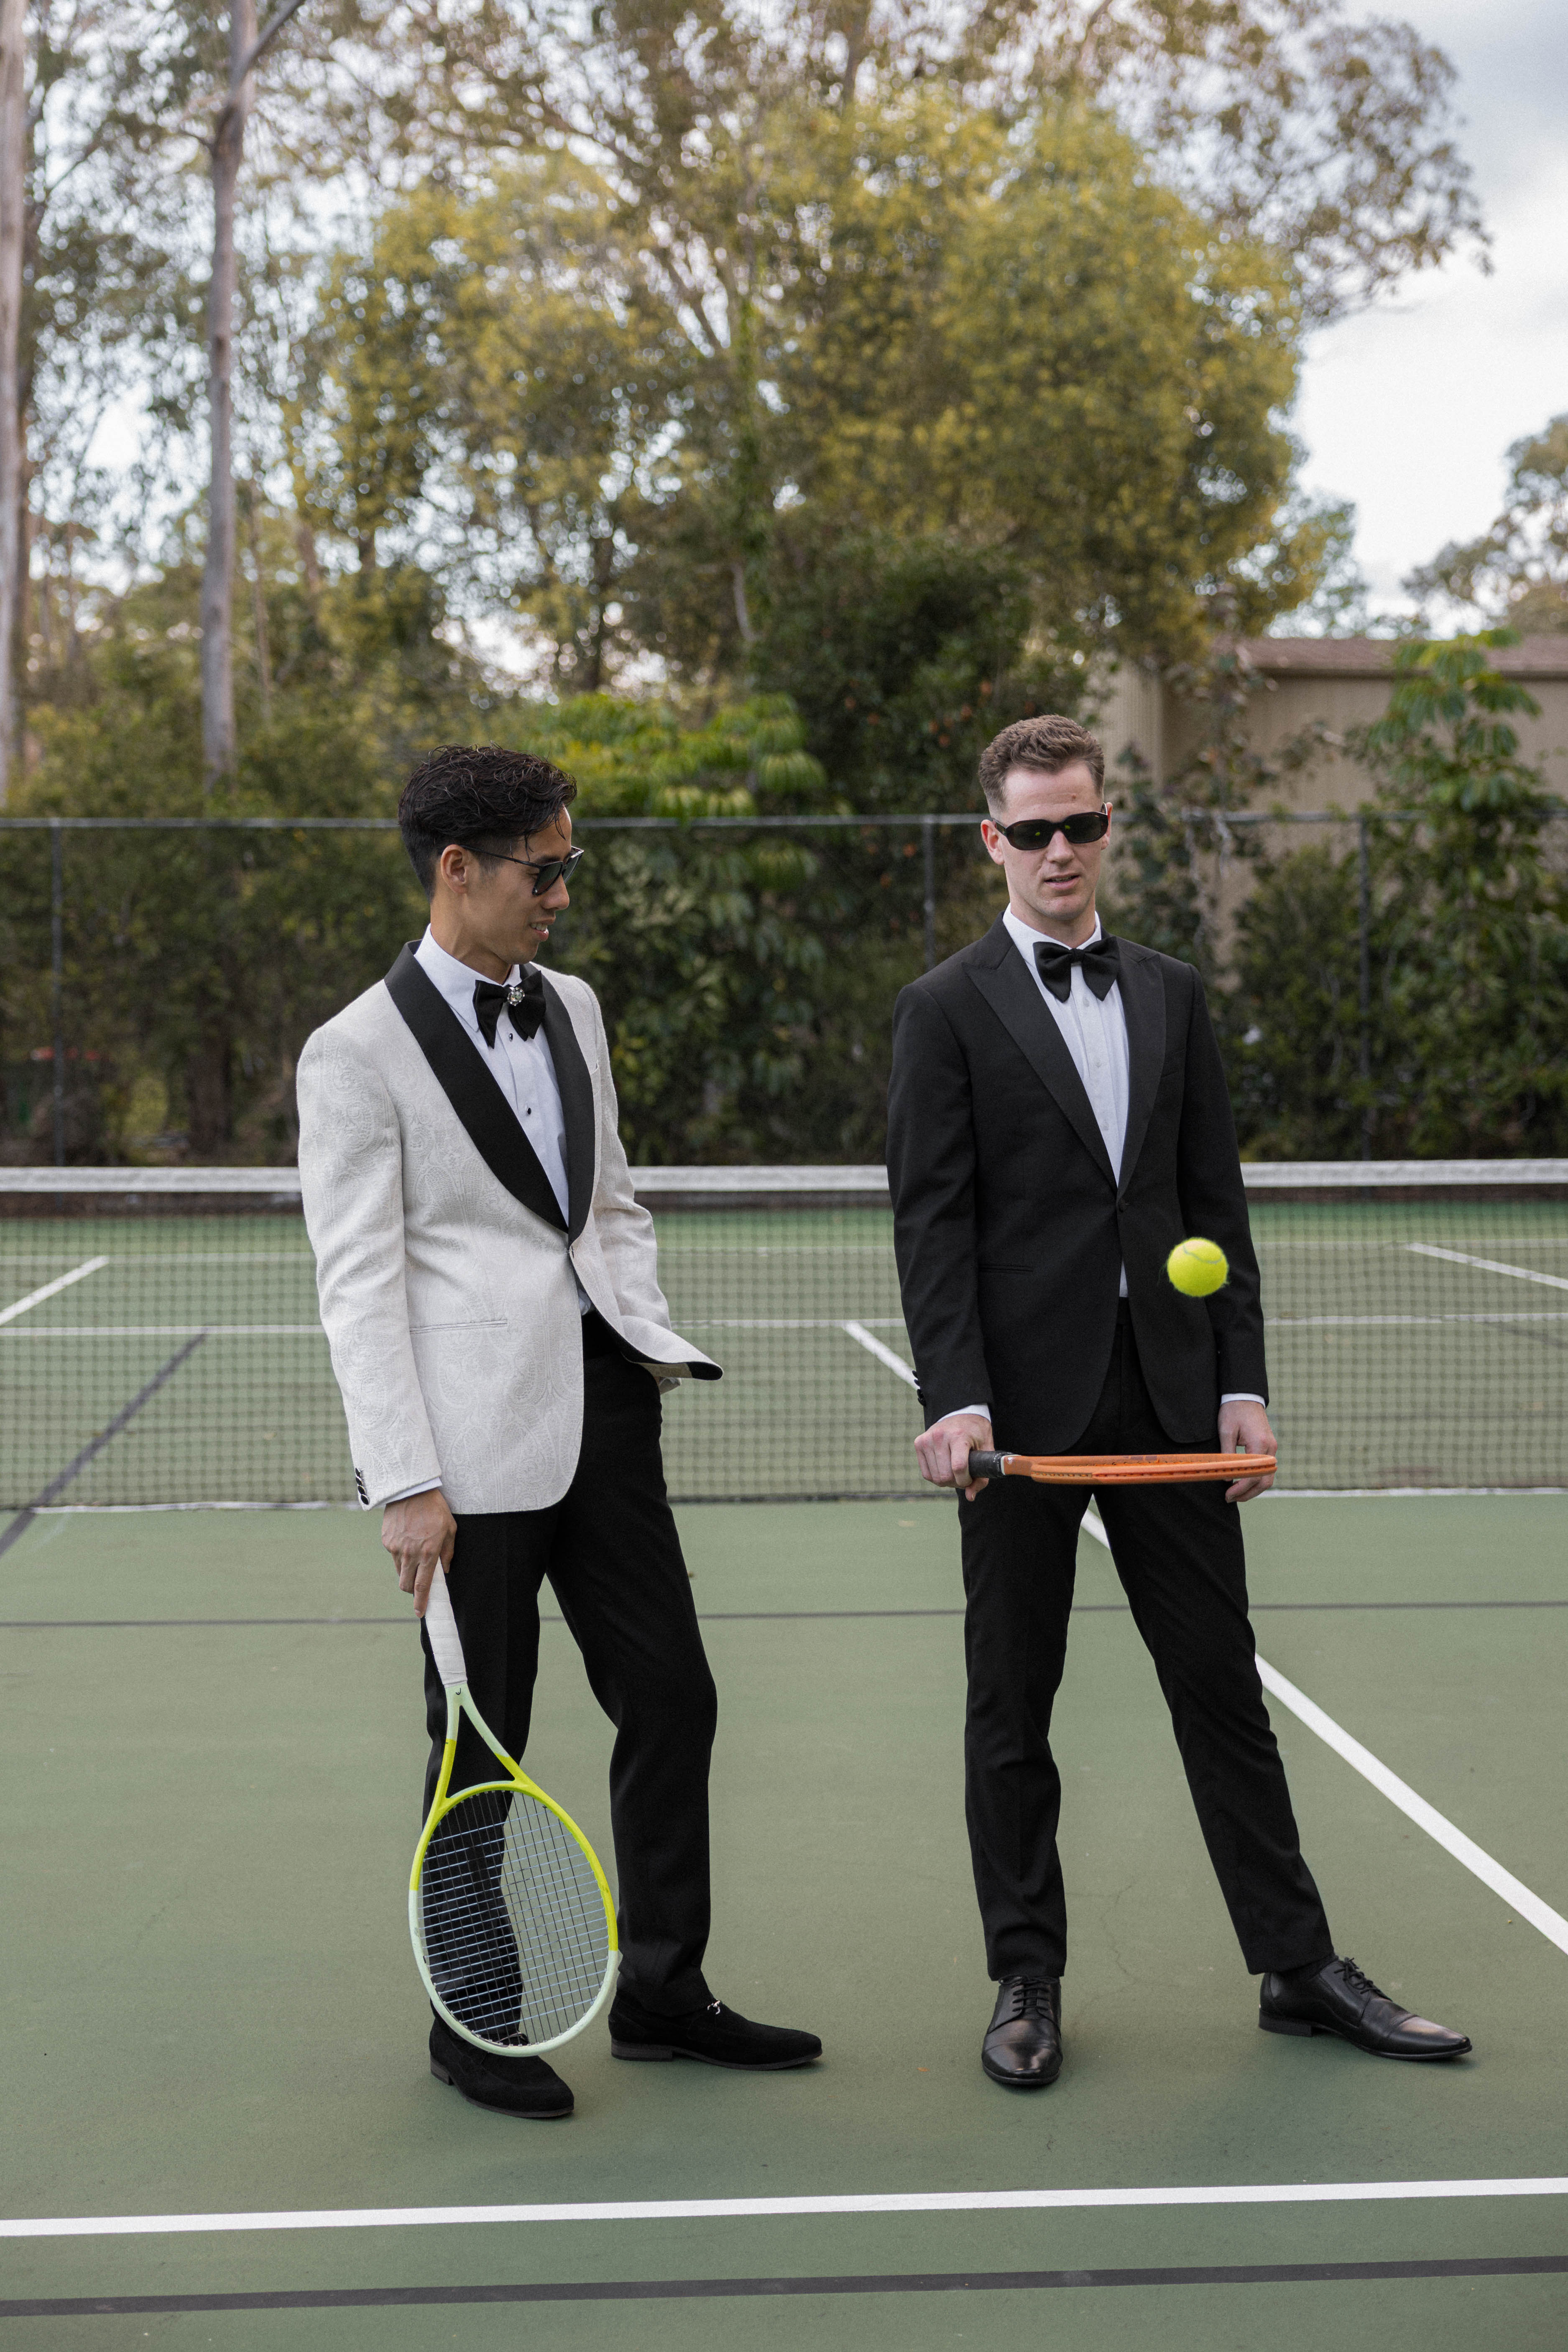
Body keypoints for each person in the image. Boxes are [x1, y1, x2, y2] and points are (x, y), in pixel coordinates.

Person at [885, 713, 1469, 2089]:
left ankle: (1297, 1964)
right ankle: (1026, 1975)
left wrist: (1241, 1382)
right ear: (992, 840)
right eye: (1035, 830)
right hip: (1019, 1423)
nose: (1061, 850)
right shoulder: (944, 1008)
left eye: (1082, 823)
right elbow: (933, 1225)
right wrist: (958, 1398)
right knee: (1012, 1705)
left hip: (1170, 1398)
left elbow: (1217, 1201)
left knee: (1221, 1689)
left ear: (1109, 825)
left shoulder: (1173, 992)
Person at [297, 743, 821, 2120]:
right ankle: (475, 2024)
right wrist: (406, 1481)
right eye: (545, 870)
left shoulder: (573, 1005)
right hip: (465, 1464)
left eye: (568, 864)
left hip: (609, 1418)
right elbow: (358, 1287)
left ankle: (663, 1993)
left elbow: (611, 1199)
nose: (563, 895)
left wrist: (637, 1326)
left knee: (675, 1697)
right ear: (456, 869)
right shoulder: (353, 1052)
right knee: (482, 1746)